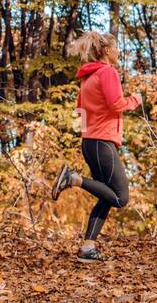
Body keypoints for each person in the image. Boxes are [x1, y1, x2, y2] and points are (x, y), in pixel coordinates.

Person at [50, 31, 142, 262]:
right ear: (107, 51)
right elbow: (116, 103)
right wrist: (136, 100)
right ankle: (73, 179)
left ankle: (87, 248)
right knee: (121, 198)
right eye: (117, 48)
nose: (119, 52)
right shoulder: (108, 72)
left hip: (90, 142)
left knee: (107, 196)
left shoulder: (87, 78)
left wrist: (89, 132)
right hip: (102, 142)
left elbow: (80, 110)